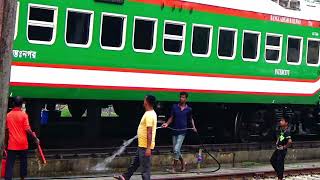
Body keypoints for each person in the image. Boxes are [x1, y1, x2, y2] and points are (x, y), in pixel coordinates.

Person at [114, 95, 157, 180]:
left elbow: (149, 132)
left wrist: (148, 148)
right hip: (142, 145)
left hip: (145, 146)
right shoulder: (150, 113)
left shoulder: (149, 115)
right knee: (135, 163)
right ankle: (125, 177)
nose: (143, 101)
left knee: (145, 169)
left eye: (144, 100)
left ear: (147, 102)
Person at [4, 96, 39, 180]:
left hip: (12, 144)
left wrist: (5, 142)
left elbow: (6, 131)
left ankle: (8, 178)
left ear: (13, 104)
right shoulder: (24, 115)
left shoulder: (8, 115)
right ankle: (22, 178)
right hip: (23, 144)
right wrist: (35, 138)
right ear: (22, 104)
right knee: (23, 163)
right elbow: (27, 129)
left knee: (10, 164)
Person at [162, 92, 197, 172]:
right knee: (176, 150)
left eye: (183, 97)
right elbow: (171, 117)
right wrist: (167, 124)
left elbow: (191, 119)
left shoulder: (189, 109)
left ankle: (173, 168)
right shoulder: (175, 107)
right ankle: (183, 164)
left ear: (186, 99)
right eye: (181, 97)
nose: (182, 99)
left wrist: (194, 127)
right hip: (174, 130)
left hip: (182, 131)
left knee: (176, 149)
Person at [270, 115, 292, 180]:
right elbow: (280, 136)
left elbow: (290, 141)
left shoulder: (287, 132)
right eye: (280, 120)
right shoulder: (282, 130)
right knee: (272, 160)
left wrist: (284, 147)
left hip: (282, 150)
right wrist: (277, 142)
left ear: (286, 123)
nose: (280, 122)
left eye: (282, 121)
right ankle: (280, 174)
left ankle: (280, 177)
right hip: (278, 149)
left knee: (280, 163)